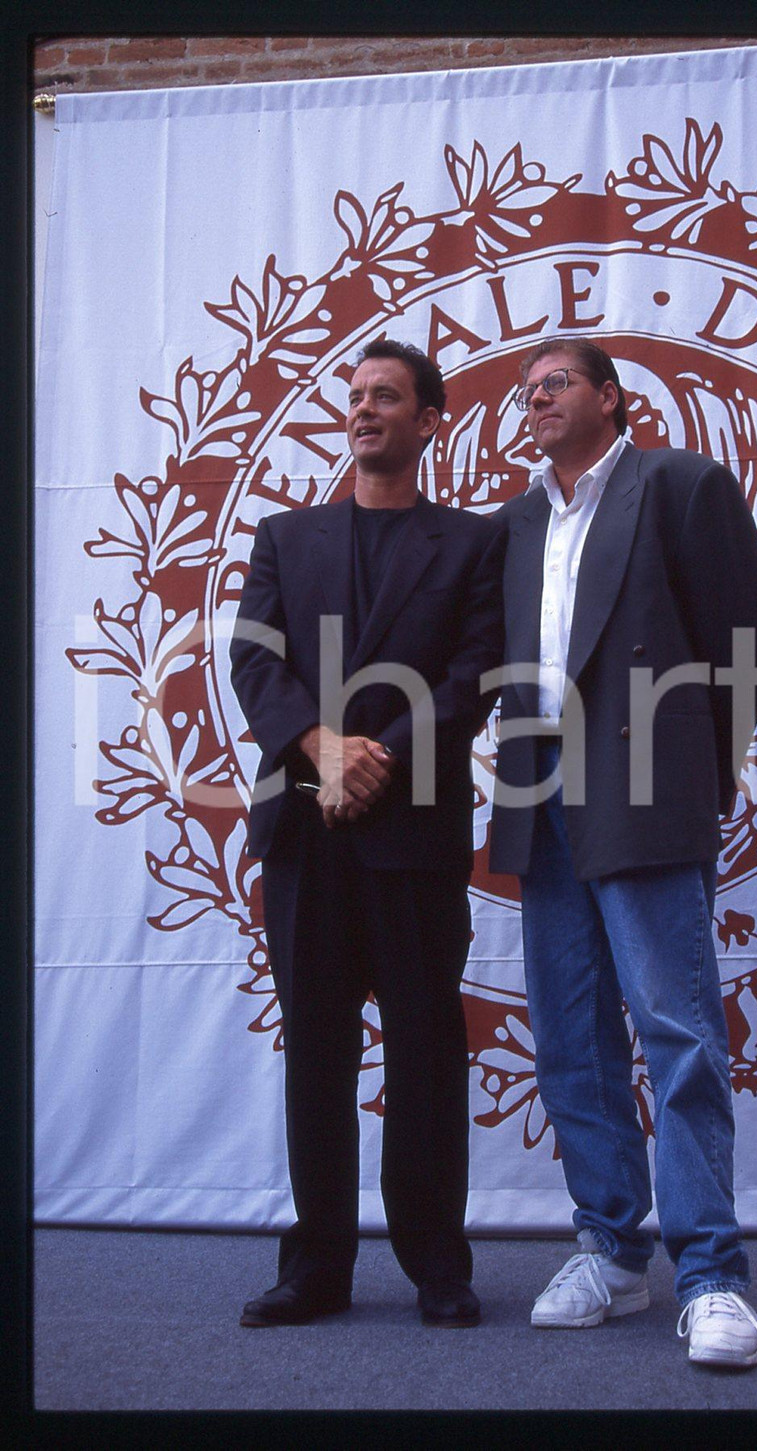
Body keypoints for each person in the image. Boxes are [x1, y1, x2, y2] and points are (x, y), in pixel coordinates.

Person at [489, 338, 757, 1367]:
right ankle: (611, 1250)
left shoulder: (682, 483)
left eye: (554, 384)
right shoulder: (517, 519)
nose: (535, 400)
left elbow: (742, 642)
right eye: (526, 392)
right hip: (540, 798)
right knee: (569, 1036)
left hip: (647, 788)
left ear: (610, 398)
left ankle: (711, 1274)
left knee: (677, 1028)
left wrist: (701, 769)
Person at [230, 339, 504, 1329]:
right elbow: (255, 662)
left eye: (386, 396)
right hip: (306, 834)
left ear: (429, 420)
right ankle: (316, 1267)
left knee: (427, 1047)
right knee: (315, 1047)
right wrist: (320, 746)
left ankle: (437, 1261)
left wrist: (375, 754)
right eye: (354, 396)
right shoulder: (283, 536)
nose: (364, 408)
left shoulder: (475, 544)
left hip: (415, 831)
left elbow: (476, 672)